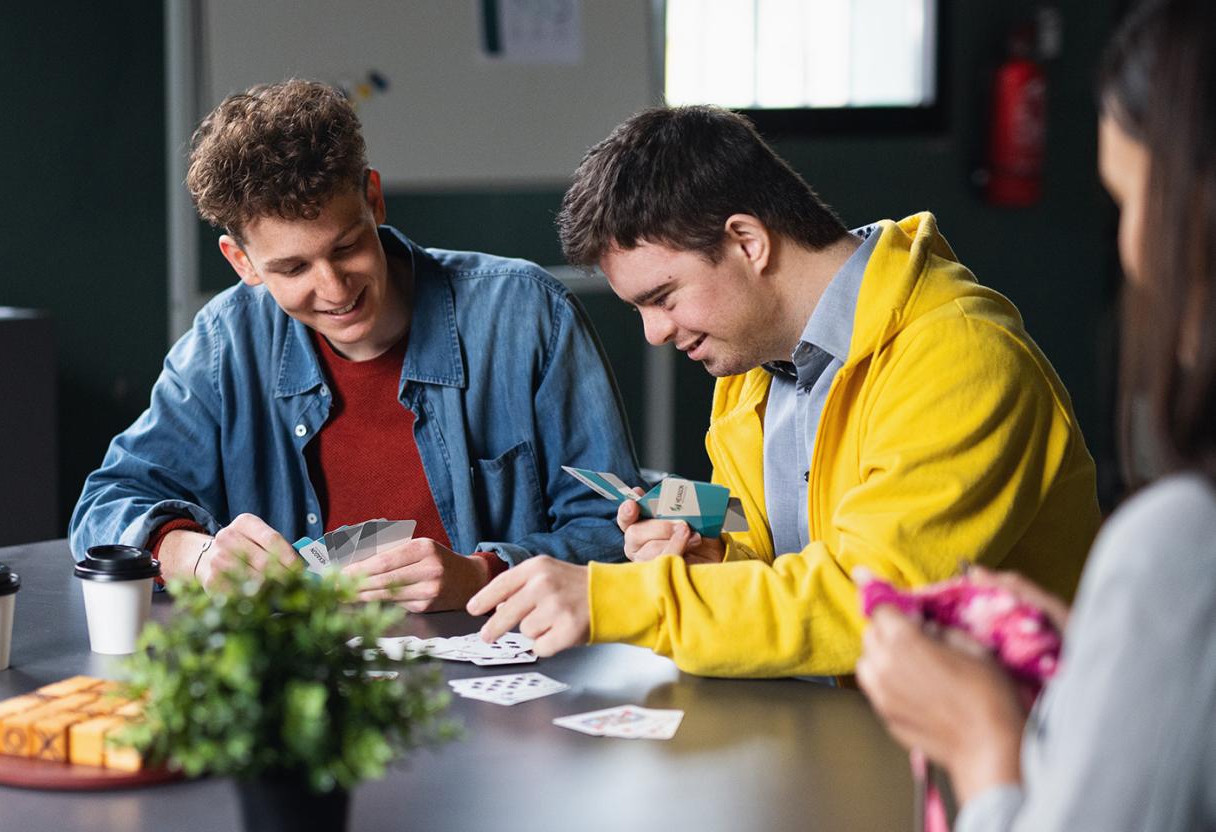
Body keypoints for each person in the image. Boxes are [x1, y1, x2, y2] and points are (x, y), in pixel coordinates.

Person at [468, 105, 1100, 677]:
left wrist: (616, 598)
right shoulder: (748, 367)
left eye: (662, 298)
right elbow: (771, 560)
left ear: (748, 241)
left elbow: (869, 602)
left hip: (1003, 755)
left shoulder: (960, 356)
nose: (655, 333)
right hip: (840, 727)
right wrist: (708, 558)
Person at [69, 80, 642, 611]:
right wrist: (192, 555)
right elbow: (104, 506)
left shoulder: (526, 313)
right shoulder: (225, 343)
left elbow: (615, 525)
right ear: (241, 262)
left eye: (345, 248)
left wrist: (484, 572)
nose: (335, 288)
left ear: (374, 199)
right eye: (292, 268)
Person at [856, 0, 1216, 827]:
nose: (1133, 251)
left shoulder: (1181, 546)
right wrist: (1103, 657)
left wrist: (984, 742)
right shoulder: (746, 383)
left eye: (1131, 202)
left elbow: (856, 586)